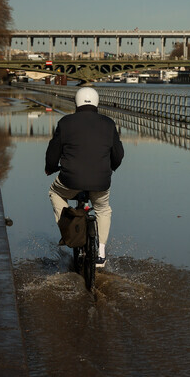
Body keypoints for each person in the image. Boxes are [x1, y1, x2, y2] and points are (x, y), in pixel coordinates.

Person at [45, 86, 124, 267]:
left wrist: (50, 168)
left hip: (70, 180)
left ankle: (69, 232)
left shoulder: (65, 123)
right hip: (101, 180)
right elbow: (118, 155)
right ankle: (101, 252)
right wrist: (110, 168)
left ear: (76, 103)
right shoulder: (108, 123)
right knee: (103, 209)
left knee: (55, 193)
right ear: (96, 102)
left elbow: (52, 153)